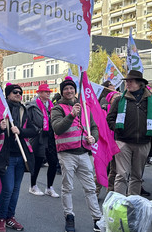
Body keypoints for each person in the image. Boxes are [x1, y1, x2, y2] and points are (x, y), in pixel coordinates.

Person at [51, 76, 102, 232]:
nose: (69, 91)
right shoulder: (57, 109)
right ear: (62, 92)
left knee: (90, 188)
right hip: (67, 154)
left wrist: (94, 137)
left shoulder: (85, 108)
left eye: (71, 88)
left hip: (84, 153)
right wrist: (71, 115)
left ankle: (97, 219)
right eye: (66, 89)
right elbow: (57, 128)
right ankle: (69, 216)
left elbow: (94, 127)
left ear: (75, 90)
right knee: (67, 188)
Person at [0, 83, 37, 232]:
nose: (18, 94)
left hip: (21, 157)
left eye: (20, 92)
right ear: (8, 95)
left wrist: (21, 131)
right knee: (8, 189)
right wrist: (0, 128)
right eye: (15, 92)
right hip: (6, 156)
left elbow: (34, 130)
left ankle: (11, 217)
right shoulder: (0, 111)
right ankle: (2, 218)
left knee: (16, 189)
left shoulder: (25, 110)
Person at [107, 70, 152, 196]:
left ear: (140, 83)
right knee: (122, 174)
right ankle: (118, 204)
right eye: (127, 82)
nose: (127, 84)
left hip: (143, 142)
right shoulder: (120, 99)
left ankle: (132, 204)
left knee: (137, 176)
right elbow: (110, 118)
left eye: (130, 81)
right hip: (123, 142)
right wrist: (117, 128)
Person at [26, 83, 59, 198]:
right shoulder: (32, 106)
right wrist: (37, 129)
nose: (48, 93)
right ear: (39, 93)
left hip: (50, 137)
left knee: (53, 162)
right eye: (46, 92)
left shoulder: (52, 106)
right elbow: (27, 121)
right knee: (37, 162)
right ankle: (33, 185)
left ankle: (49, 187)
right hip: (38, 137)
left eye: (49, 92)